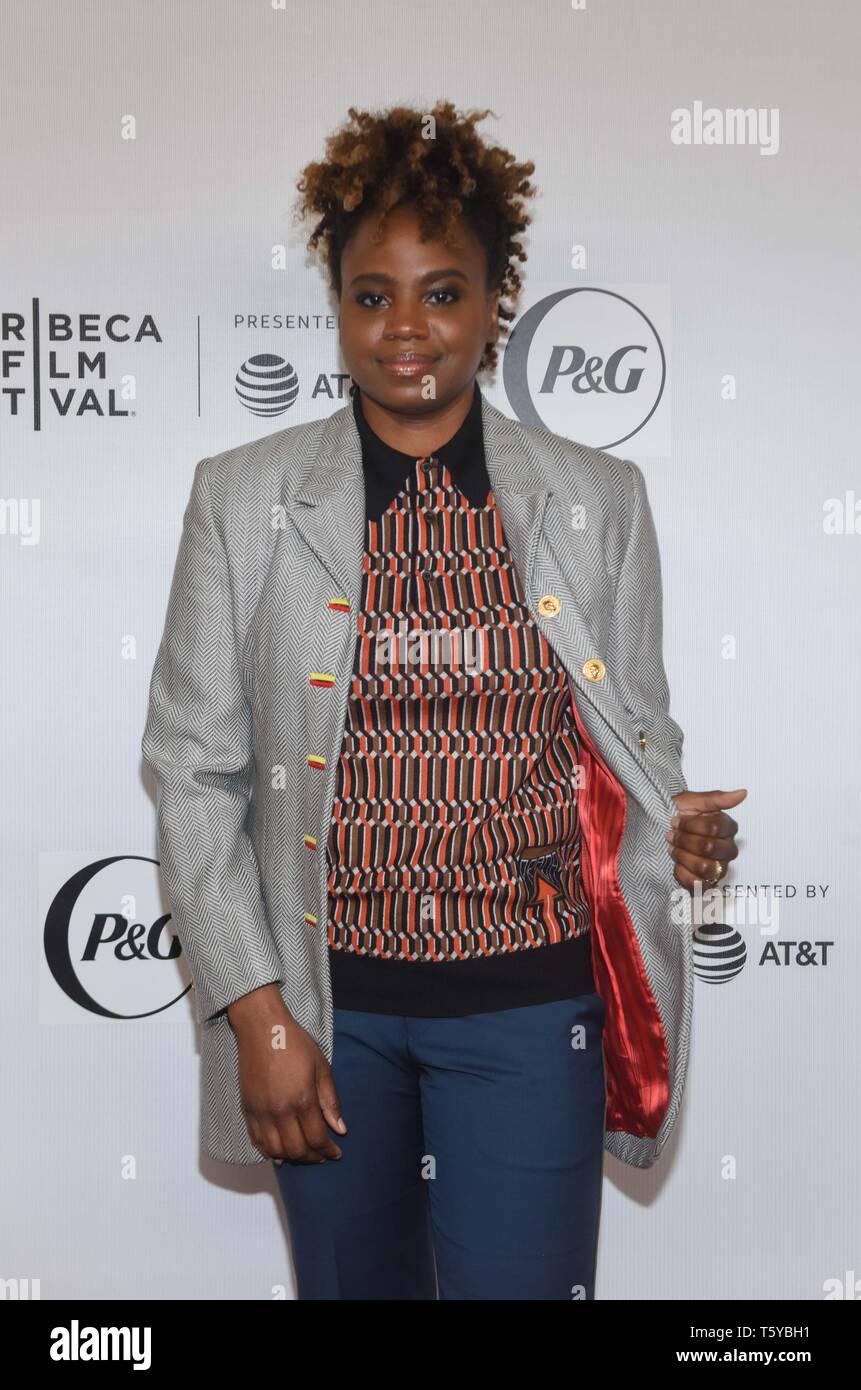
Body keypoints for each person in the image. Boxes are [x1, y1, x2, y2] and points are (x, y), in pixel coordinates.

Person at [141, 101, 746, 1300]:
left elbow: (640, 735)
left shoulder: (597, 497)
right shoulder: (240, 499)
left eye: (443, 292)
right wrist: (259, 1019)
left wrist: (681, 822)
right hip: (323, 1009)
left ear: (494, 302)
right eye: (373, 296)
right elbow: (193, 774)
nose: (407, 329)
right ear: (337, 306)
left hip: (532, 1003)